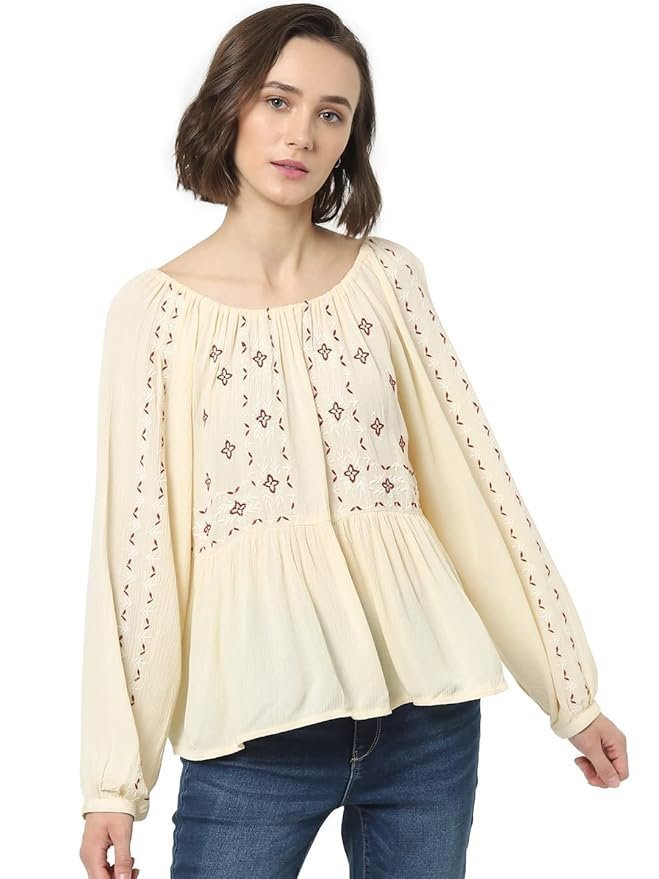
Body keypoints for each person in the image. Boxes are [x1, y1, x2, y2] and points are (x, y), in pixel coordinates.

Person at [78, 4, 629, 878]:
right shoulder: (153, 314)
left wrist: (571, 694)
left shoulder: (388, 280)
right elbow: (137, 553)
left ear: (349, 138)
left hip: (427, 723)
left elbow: (476, 491)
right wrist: (114, 782)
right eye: (278, 101)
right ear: (229, 106)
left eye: (331, 113)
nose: (301, 133)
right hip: (253, 739)